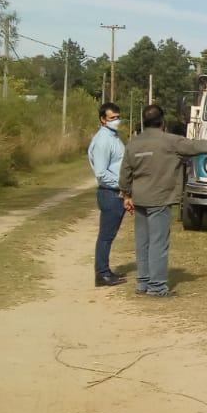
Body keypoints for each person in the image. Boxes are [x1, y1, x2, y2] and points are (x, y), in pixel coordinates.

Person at [119, 103, 207, 297]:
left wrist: (127, 195)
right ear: (163, 122)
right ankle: (157, 287)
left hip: (140, 199)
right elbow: (197, 146)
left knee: (142, 242)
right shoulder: (171, 142)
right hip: (160, 200)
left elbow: (125, 174)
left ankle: (142, 282)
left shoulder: (133, 143)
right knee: (158, 244)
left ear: (144, 123)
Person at [88, 101, 127, 287]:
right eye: (112, 118)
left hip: (116, 192)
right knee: (106, 235)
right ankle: (101, 273)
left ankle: (105, 270)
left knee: (109, 235)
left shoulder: (114, 137)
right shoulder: (103, 141)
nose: (116, 121)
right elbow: (102, 173)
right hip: (110, 193)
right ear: (103, 119)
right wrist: (121, 185)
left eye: (118, 117)